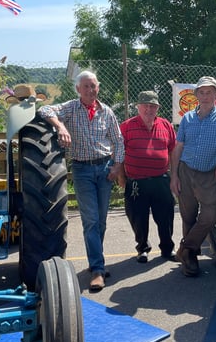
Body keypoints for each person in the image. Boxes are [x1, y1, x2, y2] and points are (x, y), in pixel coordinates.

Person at [37, 70, 124, 292]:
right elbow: (44, 109)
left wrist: (117, 166)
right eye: (86, 86)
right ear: (78, 89)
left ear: (98, 88)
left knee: (101, 221)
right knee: (91, 220)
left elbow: (118, 140)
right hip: (83, 170)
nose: (90, 90)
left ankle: (97, 261)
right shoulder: (70, 108)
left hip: (105, 169)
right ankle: (97, 269)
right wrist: (61, 126)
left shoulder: (107, 112)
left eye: (93, 86)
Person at [170, 76, 216, 277]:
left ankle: (185, 248)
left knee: (210, 216)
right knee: (188, 216)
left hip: (210, 175)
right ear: (196, 95)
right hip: (186, 172)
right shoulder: (187, 118)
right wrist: (174, 176)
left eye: (209, 92)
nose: (205, 96)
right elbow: (178, 148)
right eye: (201, 92)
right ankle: (190, 258)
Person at [120, 90, 177, 263]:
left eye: (152, 106)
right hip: (136, 182)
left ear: (157, 108)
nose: (148, 109)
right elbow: (119, 154)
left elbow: (173, 152)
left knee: (166, 216)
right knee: (138, 217)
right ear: (138, 107)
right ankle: (142, 248)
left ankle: (167, 248)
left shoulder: (166, 125)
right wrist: (122, 178)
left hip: (161, 179)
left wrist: (174, 177)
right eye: (145, 106)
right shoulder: (126, 126)